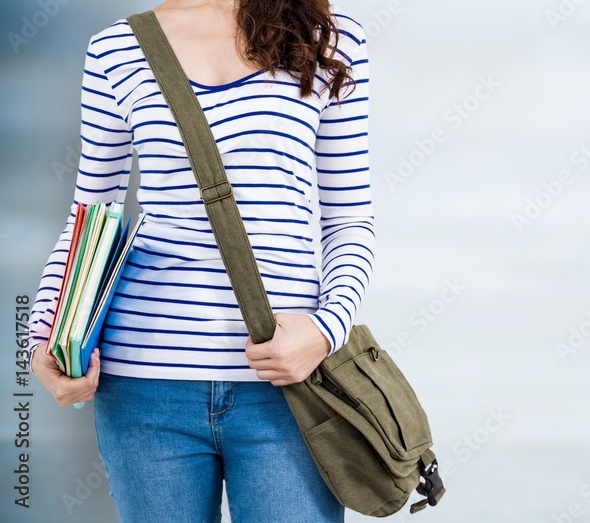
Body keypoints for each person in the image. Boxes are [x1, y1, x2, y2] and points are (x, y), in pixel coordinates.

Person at [26, 0, 374, 521]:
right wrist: (41, 338)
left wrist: (325, 330)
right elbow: (89, 220)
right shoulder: (115, 48)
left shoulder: (328, 36)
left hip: (289, 390)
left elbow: (350, 223)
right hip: (144, 392)